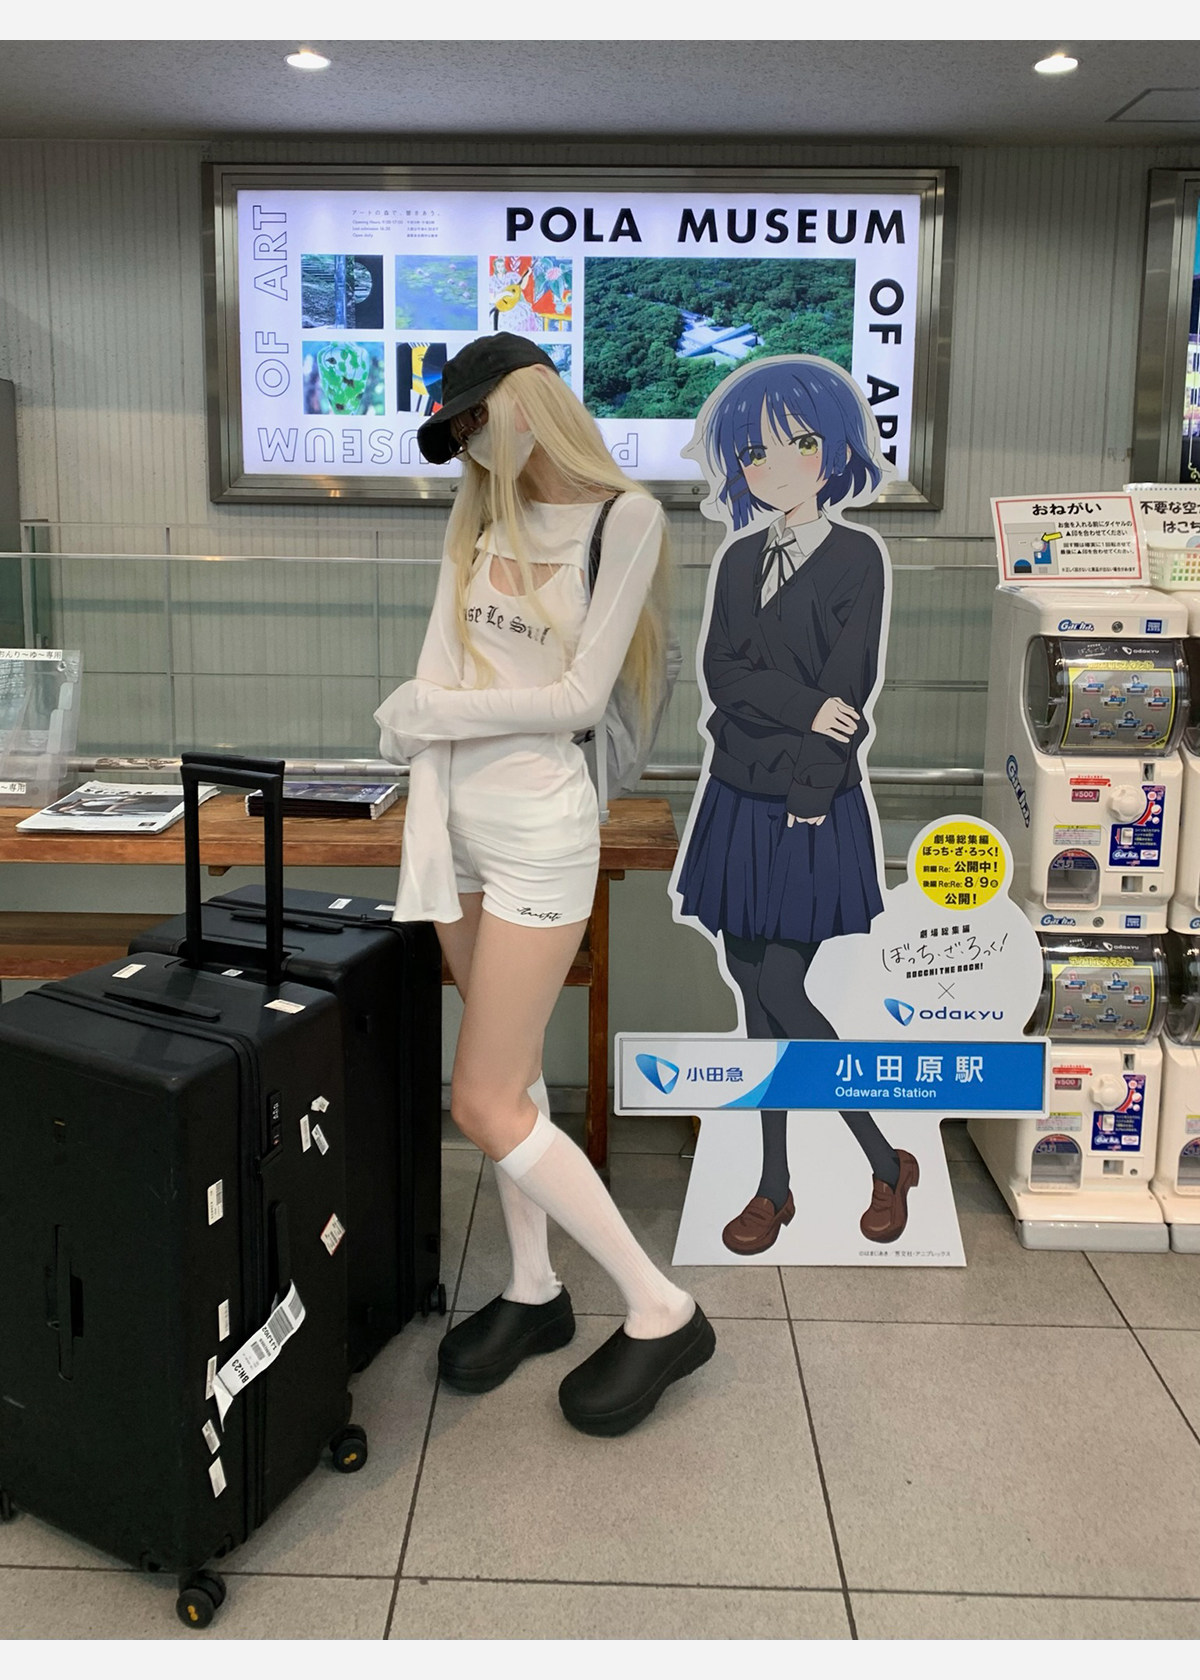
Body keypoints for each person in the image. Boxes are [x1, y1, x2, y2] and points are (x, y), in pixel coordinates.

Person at [375, 333, 714, 1436]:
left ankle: (661, 1307)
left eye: (477, 420)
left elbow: (574, 698)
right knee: (511, 1074)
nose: (472, 447)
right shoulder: (479, 515)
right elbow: (435, 669)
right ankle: (533, 1288)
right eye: (457, 433)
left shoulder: (627, 518)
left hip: (539, 832)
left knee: (479, 1101)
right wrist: (426, 728)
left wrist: (432, 714)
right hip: (454, 825)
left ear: (528, 401)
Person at [672, 355, 919, 1255]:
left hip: (808, 803)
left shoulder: (857, 558)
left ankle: (883, 1159)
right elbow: (721, 676)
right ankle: (774, 1185)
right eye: (756, 453)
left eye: (799, 445)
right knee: (753, 993)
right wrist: (803, 705)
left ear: (835, 453)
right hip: (736, 795)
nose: (776, 467)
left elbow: (848, 689)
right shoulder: (740, 557)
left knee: (780, 986)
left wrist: (812, 778)